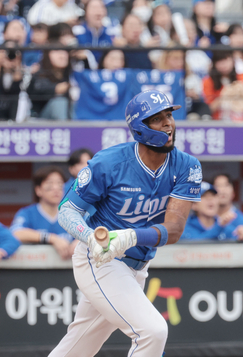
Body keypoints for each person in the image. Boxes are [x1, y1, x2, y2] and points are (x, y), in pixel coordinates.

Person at [49, 89, 202, 356]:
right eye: (157, 118)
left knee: (78, 346)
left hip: (137, 267)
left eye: (169, 115)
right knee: (152, 331)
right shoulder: (109, 162)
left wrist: (129, 237)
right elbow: (67, 210)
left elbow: (174, 229)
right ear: (140, 128)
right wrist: (92, 238)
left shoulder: (186, 165)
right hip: (101, 259)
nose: (168, 123)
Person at [11, 166, 77, 260]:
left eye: (59, 184)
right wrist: (51, 239)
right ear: (38, 190)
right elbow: (16, 233)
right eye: (50, 184)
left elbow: (91, 232)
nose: (56, 188)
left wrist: (80, 241)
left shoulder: (72, 214)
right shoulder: (28, 213)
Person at [203, 50, 243, 121]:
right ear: (214, 63)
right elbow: (208, 109)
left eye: (226, 60)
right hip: (219, 122)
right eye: (220, 61)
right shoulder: (208, 81)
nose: (224, 64)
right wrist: (224, 96)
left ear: (232, 61)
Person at [26, 45, 70, 120]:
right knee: (59, 101)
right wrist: (55, 89)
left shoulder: (71, 75)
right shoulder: (40, 75)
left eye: (64, 51)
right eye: (57, 51)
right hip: (42, 118)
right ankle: (64, 129)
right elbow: (37, 90)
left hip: (70, 114)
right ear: (47, 55)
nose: (62, 56)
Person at [213, 173, 243, 241]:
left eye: (226, 185)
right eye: (218, 186)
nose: (222, 190)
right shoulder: (205, 218)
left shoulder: (241, 219)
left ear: (233, 193)